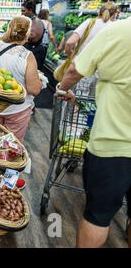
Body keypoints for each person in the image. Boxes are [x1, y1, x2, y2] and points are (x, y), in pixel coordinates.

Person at [56, 16, 131, 248]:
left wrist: (61, 88)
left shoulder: (117, 30)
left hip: (112, 144)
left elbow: (74, 70)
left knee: (98, 216)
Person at [0, 16, 43, 142]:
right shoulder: (27, 55)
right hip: (16, 111)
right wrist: (40, 82)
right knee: (10, 145)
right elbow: (33, 89)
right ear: (27, 33)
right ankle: (5, 161)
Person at [21, 0, 46, 71]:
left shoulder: (37, 22)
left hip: (36, 52)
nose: (22, 13)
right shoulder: (30, 20)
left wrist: (17, 33)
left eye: (24, 11)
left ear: (30, 10)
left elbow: (32, 36)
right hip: (31, 50)